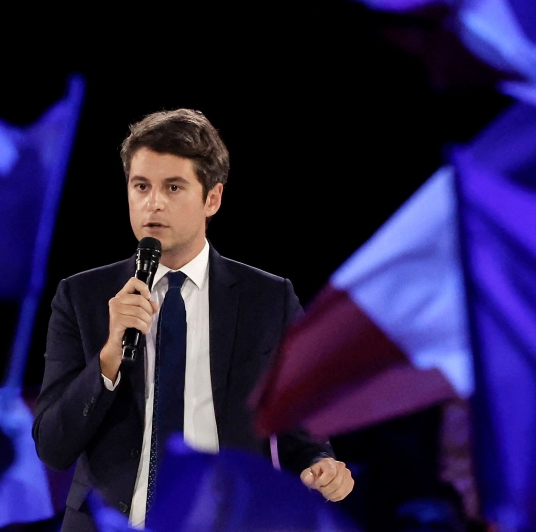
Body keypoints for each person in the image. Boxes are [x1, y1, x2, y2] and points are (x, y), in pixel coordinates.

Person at [32, 109, 354, 530]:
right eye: (141, 186)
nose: (154, 203)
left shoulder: (268, 298)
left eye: (173, 187)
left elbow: (299, 427)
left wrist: (322, 464)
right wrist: (109, 357)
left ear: (212, 198)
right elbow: (54, 447)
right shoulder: (81, 297)